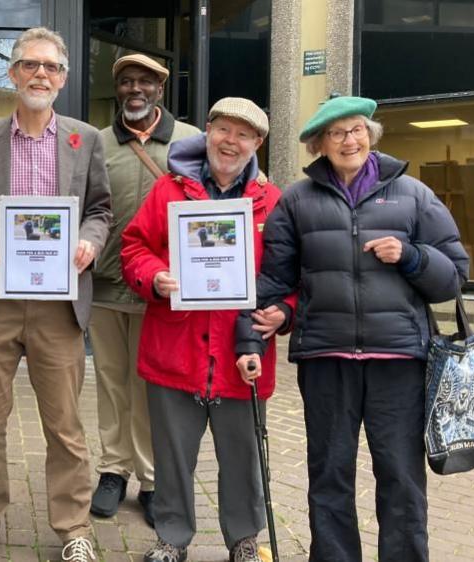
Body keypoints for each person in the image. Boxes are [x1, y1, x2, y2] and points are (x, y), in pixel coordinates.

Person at [236, 95, 469, 562]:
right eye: (337, 133)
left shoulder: (413, 194)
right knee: (329, 476)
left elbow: (453, 276)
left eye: (358, 129)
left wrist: (411, 256)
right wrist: (252, 337)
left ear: (371, 135)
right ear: (319, 144)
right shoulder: (297, 201)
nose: (350, 140)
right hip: (327, 359)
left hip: (399, 361)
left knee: (401, 478)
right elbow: (273, 282)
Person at [0, 26, 111, 562]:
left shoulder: (85, 140)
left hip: (59, 304)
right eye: (30, 64)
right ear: (13, 72)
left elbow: (100, 210)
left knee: (65, 425)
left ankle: (74, 526)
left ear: (63, 79)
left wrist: (89, 242)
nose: (41, 74)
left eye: (52, 67)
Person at [121, 98, 292, 562]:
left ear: (257, 144)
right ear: (207, 132)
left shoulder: (273, 202)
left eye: (243, 135)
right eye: (223, 130)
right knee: (173, 456)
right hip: (175, 348)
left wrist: (284, 312)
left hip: (242, 353)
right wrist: (154, 277)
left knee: (243, 457)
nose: (230, 142)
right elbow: (134, 247)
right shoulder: (168, 192)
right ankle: (172, 538)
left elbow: (293, 273)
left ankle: (243, 538)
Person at [89, 53, 199, 526]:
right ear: (118, 89)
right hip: (105, 286)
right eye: (127, 82)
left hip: (164, 289)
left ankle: (153, 480)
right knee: (112, 382)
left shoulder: (191, 139)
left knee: (154, 388)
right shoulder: (95, 143)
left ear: (161, 89)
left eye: (146, 82)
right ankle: (113, 470)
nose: (136, 89)